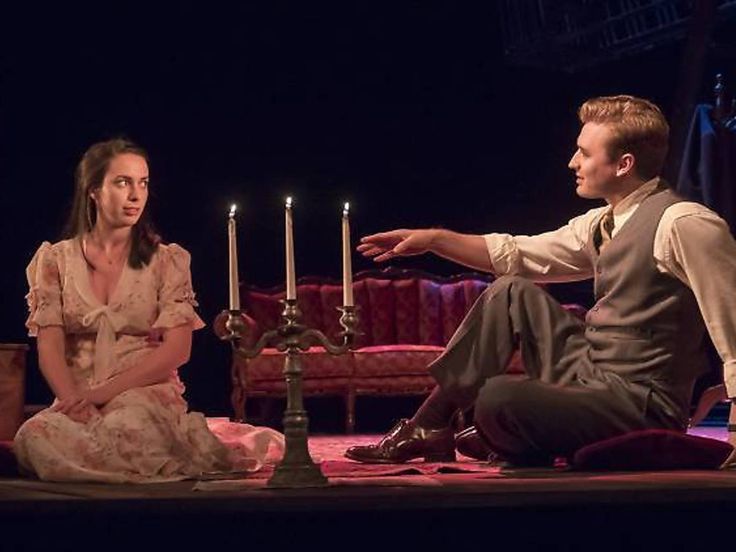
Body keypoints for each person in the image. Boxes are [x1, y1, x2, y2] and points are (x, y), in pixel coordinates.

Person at [345, 95, 736, 466]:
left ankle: (513, 432)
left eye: (584, 153)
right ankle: (430, 425)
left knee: (498, 399)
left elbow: (732, 324)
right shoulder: (601, 223)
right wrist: (434, 240)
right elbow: (516, 255)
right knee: (509, 291)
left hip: (639, 400)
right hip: (591, 374)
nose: (572, 162)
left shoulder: (684, 224)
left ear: (624, 164)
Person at [14, 138, 283, 482]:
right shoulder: (55, 260)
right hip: (78, 393)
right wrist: (74, 400)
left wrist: (103, 395)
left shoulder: (165, 260)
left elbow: (177, 349)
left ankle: (121, 476)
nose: (135, 195)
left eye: (142, 183)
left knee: (131, 429)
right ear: (93, 190)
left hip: (141, 391)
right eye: (122, 182)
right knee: (32, 437)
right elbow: (48, 346)